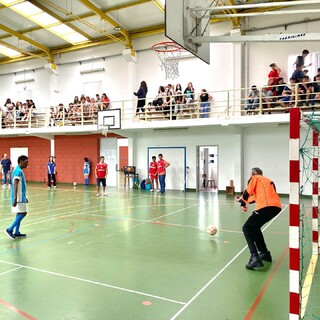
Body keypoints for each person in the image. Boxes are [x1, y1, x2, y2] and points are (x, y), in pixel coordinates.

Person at [236, 167, 282, 270]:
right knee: (255, 228)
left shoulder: (255, 178)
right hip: (276, 207)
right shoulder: (267, 182)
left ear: (254, 174)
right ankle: (264, 253)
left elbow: (247, 192)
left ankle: (254, 257)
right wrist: (242, 201)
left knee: (246, 228)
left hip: (266, 206)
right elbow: (253, 198)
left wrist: (242, 202)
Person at [4, 155, 29, 239]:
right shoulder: (18, 171)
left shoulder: (18, 170)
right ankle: (10, 229)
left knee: (19, 213)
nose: (27, 164)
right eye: (26, 162)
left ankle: (17, 232)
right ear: (21, 161)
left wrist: (25, 196)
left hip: (21, 196)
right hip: (19, 197)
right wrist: (15, 198)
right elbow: (15, 184)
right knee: (23, 213)